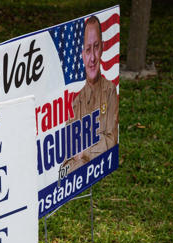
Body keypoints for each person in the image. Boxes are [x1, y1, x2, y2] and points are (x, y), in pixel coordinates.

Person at [62, 15, 119, 175]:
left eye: (96, 47)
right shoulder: (75, 102)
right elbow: (67, 160)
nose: (92, 57)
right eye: (88, 50)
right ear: (82, 54)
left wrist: (84, 153)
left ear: (102, 48)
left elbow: (111, 141)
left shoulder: (109, 90)